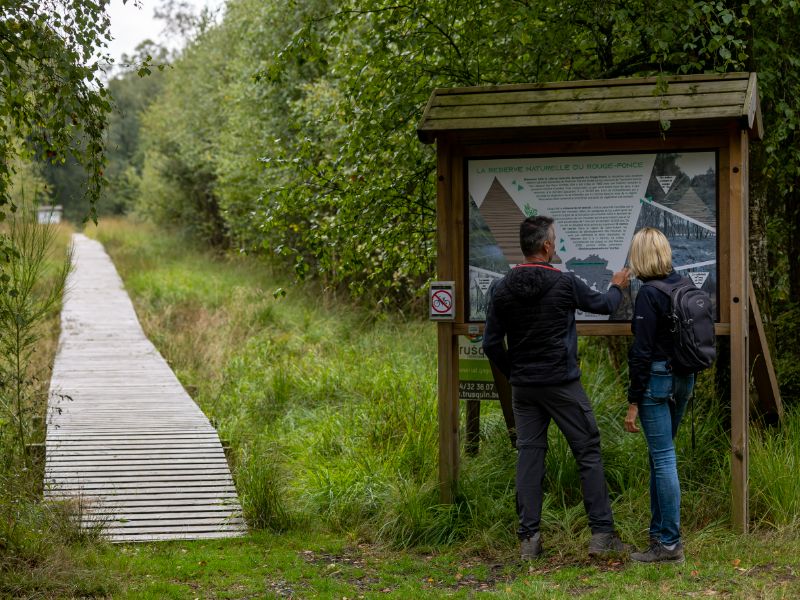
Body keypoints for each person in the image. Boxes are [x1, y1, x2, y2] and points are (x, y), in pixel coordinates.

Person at [483, 215, 631, 560]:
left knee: (529, 458)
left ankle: (529, 541)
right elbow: (605, 306)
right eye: (555, 240)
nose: (556, 244)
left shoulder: (501, 287)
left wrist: (515, 372)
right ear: (547, 246)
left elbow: (491, 344)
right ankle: (601, 535)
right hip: (562, 385)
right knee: (588, 451)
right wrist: (617, 284)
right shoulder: (564, 284)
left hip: (525, 389)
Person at [623, 227, 694, 564]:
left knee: (663, 458)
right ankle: (659, 534)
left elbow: (641, 353)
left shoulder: (649, 295)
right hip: (684, 378)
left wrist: (633, 401)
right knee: (660, 456)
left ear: (640, 256)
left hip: (657, 381)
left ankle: (669, 545)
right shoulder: (683, 284)